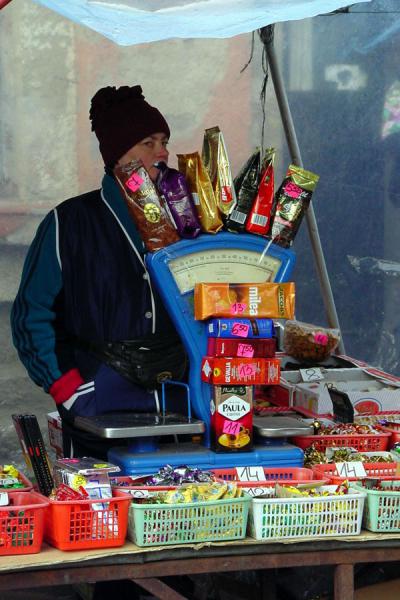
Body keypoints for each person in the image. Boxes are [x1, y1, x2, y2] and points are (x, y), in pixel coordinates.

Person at [10, 84, 187, 460]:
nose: (163, 152)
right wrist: (69, 389)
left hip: (181, 405)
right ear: (119, 153)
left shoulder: (185, 220)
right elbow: (31, 315)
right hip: (98, 407)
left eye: (164, 140)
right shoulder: (69, 223)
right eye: (149, 142)